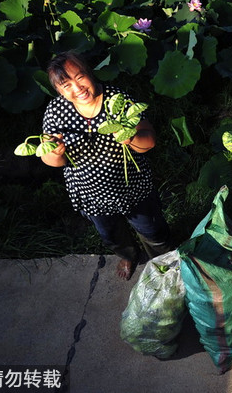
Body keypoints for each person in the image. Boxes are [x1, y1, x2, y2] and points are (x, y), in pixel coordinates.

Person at [39, 52, 172, 280]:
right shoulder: (56, 111)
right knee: (110, 234)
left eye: (80, 77)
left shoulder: (116, 100)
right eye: (66, 85)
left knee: (152, 230)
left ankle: (166, 262)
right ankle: (129, 255)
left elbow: (149, 141)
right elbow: (51, 161)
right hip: (91, 193)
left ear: (89, 74)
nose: (77, 88)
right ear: (59, 90)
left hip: (132, 189)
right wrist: (55, 153)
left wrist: (130, 137)